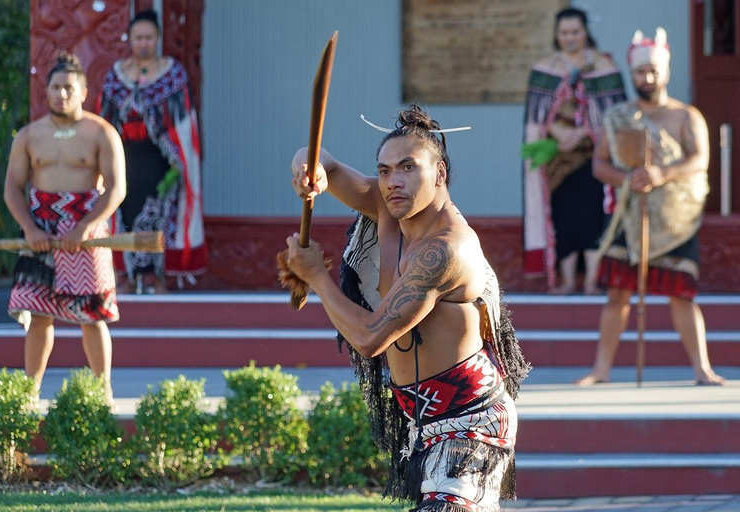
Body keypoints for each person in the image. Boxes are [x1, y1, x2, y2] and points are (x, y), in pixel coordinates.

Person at [283, 106, 530, 511]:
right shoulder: (388, 207)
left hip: (472, 422)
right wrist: (309, 169)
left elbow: (368, 339)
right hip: (423, 421)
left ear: (440, 174)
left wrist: (316, 277)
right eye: (383, 171)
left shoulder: (445, 250)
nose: (392, 182)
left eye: (407, 168)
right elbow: (318, 158)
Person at [577, 28, 725, 386]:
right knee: (618, 294)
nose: (648, 78)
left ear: (666, 72)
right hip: (630, 215)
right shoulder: (619, 117)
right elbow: (600, 165)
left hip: (675, 218)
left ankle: (702, 369)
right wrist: (629, 179)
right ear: (633, 74)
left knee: (682, 294)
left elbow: (699, 160)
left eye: (654, 71)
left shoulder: (686, 116)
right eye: (641, 71)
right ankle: (601, 370)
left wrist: (661, 173)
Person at [4, 53, 126, 406]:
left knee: (93, 315)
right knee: (38, 314)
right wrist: (29, 227)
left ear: (83, 91)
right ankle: (30, 393)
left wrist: (85, 227)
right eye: (55, 88)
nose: (61, 94)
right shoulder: (29, 135)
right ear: (47, 91)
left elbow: (117, 188)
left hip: (86, 232)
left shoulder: (102, 132)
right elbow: (13, 187)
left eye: (68, 88)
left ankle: (103, 391)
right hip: (40, 229)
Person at [98, 9, 206, 294]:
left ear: (157, 39)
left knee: (159, 216)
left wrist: (178, 163)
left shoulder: (173, 75)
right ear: (130, 40)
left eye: (149, 37)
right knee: (124, 214)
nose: (143, 43)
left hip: (161, 161)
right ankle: (125, 275)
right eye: (138, 38)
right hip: (125, 159)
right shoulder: (115, 77)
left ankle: (157, 276)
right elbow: (104, 123)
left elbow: (185, 125)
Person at [522, 7, 627, 294]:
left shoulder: (604, 66)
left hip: (594, 156)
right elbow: (536, 116)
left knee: (592, 216)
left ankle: (592, 281)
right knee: (564, 217)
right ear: (556, 35)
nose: (569, 38)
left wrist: (582, 131)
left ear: (585, 33)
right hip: (556, 159)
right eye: (564, 33)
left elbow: (615, 114)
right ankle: (567, 281)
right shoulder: (545, 68)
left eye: (575, 32)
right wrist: (557, 132)